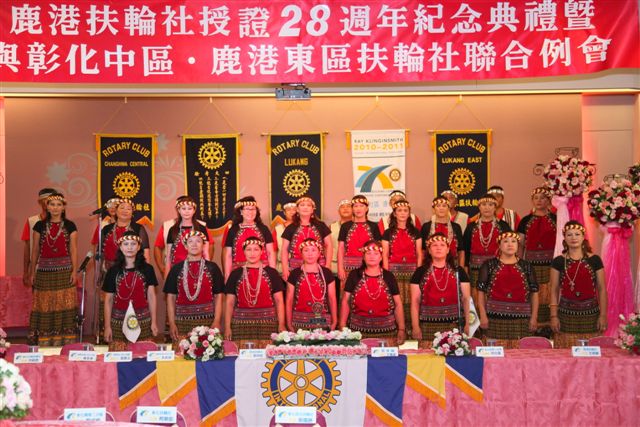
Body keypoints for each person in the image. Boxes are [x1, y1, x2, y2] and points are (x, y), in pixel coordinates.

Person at [26, 192, 79, 346]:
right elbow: (35, 250)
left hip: (65, 270)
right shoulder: (39, 226)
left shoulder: (70, 225)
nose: (55, 208)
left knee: (65, 303)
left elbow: (73, 250)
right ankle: (44, 340)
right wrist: (32, 272)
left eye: (59, 205)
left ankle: (64, 340)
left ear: (63, 208)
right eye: (52, 204)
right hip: (44, 271)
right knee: (44, 303)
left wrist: (74, 271)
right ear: (47, 207)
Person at [549, 221, 608, 348]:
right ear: (564, 238)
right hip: (565, 316)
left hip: (591, 315)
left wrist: (603, 315)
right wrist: (553, 316)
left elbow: (602, 289)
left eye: (577, 234)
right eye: (569, 235)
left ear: (583, 237)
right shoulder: (558, 261)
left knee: (590, 353)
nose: (573, 238)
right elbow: (553, 290)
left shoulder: (595, 260)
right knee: (565, 353)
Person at [477, 232, 539, 349]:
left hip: (522, 321)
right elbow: (481, 292)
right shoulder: (489, 265)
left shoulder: (526, 266)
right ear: (499, 246)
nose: (510, 244)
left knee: (520, 354)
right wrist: (483, 315)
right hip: (494, 320)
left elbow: (534, 293)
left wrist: (534, 317)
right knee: (495, 354)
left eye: (513, 241)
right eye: (505, 241)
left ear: (518, 245)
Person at [339, 241, 406, 345]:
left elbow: (398, 304)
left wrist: (401, 329)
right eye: (368, 253)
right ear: (363, 257)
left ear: (381, 257)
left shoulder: (389, 276)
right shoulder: (354, 275)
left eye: (376, 254)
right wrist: (342, 326)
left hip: (387, 332)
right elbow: (345, 301)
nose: (372, 256)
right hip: (358, 332)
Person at [164, 231, 224, 344]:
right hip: (181, 323)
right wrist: (171, 323)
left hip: (208, 322)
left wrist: (216, 321)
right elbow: (170, 297)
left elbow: (218, 296)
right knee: (181, 354)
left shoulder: (213, 268)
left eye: (198, 241)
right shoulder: (176, 269)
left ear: (203, 245)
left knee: (207, 353)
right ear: (185, 246)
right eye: (190, 241)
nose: (194, 244)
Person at [410, 233, 471, 344]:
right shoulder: (420, 272)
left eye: (442, 245)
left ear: (448, 250)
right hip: (427, 326)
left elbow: (466, 299)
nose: (438, 248)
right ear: (429, 250)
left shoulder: (459, 271)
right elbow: (415, 301)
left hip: (454, 325)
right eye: (434, 245)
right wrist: (415, 326)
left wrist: (468, 323)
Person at [103, 232, 159, 351]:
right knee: (118, 358)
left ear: (138, 247)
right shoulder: (113, 271)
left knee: (142, 356)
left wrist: (153, 322)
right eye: (126, 244)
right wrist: (107, 326)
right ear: (120, 247)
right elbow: (108, 300)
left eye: (133, 244)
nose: (129, 247)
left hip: (143, 322)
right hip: (118, 322)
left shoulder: (148, 269)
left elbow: (151, 296)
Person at [224, 237, 285, 345]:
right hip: (240, 326)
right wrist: (227, 327)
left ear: (262, 251)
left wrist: (281, 324)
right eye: (249, 249)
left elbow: (279, 301)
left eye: (256, 249)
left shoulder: (272, 273)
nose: (252, 253)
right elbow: (229, 303)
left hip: (268, 325)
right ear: (243, 252)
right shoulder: (235, 274)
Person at [381, 199, 422, 336]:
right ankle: (398, 328)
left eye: (405, 210)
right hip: (393, 272)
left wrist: (419, 272)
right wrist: (386, 273)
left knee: (412, 300)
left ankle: (412, 328)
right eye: (399, 210)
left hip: (412, 271)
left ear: (409, 213)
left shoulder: (415, 232)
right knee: (395, 299)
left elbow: (419, 253)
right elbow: (385, 254)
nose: (402, 213)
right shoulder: (388, 233)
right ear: (394, 213)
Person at [517, 187, 556, 324]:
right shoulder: (525, 220)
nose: (539, 201)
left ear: (548, 200)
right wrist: (519, 264)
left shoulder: (555, 219)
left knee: (551, 292)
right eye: (536, 198)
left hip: (551, 265)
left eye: (542, 198)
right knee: (533, 291)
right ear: (532, 200)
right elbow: (521, 245)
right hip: (530, 265)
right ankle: (533, 323)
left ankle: (549, 323)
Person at [463, 194, 511, 302]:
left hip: (498, 266)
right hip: (475, 268)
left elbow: (509, 248)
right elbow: (465, 249)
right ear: (479, 207)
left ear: (495, 207)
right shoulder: (471, 227)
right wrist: (465, 267)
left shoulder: (503, 226)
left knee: (496, 292)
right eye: (484, 204)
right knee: (477, 294)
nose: (487, 208)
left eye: (490, 205)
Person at [286, 239, 338, 331]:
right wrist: (289, 324)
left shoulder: (327, 273)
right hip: (299, 323)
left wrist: (334, 322)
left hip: (323, 322)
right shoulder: (295, 273)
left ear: (319, 253)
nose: (310, 254)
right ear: (301, 253)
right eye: (306, 250)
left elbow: (332, 298)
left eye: (313, 250)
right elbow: (289, 300)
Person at [154, 196, 212, 278]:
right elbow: (169, 257)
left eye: (190, 209)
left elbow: (206, 253)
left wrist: (207, 273)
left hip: (198, 270)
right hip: (176, 270)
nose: (186, 211)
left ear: (194, 210)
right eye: (183, 209)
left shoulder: (201, 228)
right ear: (179, 210)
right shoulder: (173, 229)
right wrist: (167, 278)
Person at [222, 196, 275, 280]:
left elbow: (270, 252)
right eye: (247, 209)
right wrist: (227, 275)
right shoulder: (233, 230)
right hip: (238, 274)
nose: (250, 212)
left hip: (262, 272)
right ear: (241, 211)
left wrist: (273, 274)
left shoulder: (264, 229)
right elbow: (228, 255)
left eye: (253, 209)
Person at [281, 196, 332, 281]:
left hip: (319, 266)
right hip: (295, 268)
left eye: (308, 205)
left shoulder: (321, 226)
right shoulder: (290, 228)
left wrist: (328, 265)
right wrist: (285, 268)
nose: (305, 207)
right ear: (297, 209)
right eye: (302, 205)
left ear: (312, 209)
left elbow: (329, 245)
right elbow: (284, 249)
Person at [337, 195, 382, 286]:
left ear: (366, 208)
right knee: (348, 292)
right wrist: (340, 268)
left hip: (370, 267)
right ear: (352, 209)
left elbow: (379, 249)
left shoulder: (374, 226)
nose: (358, 209)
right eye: (355, 206)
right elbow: (341, 249)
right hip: (348, 268)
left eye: (361, 206)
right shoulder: (345, 226)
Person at [21, 187, 56, 287]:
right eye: (45, 200)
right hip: (38, 269)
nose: (48, 203)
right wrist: (26, 272)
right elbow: (27, 247)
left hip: (58, 269)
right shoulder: (31, 221)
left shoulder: (63, 223)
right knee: (39, 296)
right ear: (40, 202)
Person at [421, 196, 465, 267]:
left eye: (444, 206)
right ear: (433, 209)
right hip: (430, 267)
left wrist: (461, 269)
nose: (441, 208)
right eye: (438, 206)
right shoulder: (426, 227)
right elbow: (423, 250)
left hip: (453, 266)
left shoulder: (456, 227)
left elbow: (461, 250)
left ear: (448, 208)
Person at [330, 199, 353, 277]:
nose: (345, 209)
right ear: (338, 211)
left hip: (353, 266)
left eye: (348, 206)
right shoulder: (331, 226)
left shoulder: (359, 225)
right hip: (334, 266)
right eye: (342, 207)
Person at [272, 201, 297, 273]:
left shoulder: (304, 227)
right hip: (281, 268)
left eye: (294, 210)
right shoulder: (278, 229)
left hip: (300, 267)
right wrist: (272, 270)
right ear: (284, 212)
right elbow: (273, 251)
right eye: (289, 210)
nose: (292, 212)